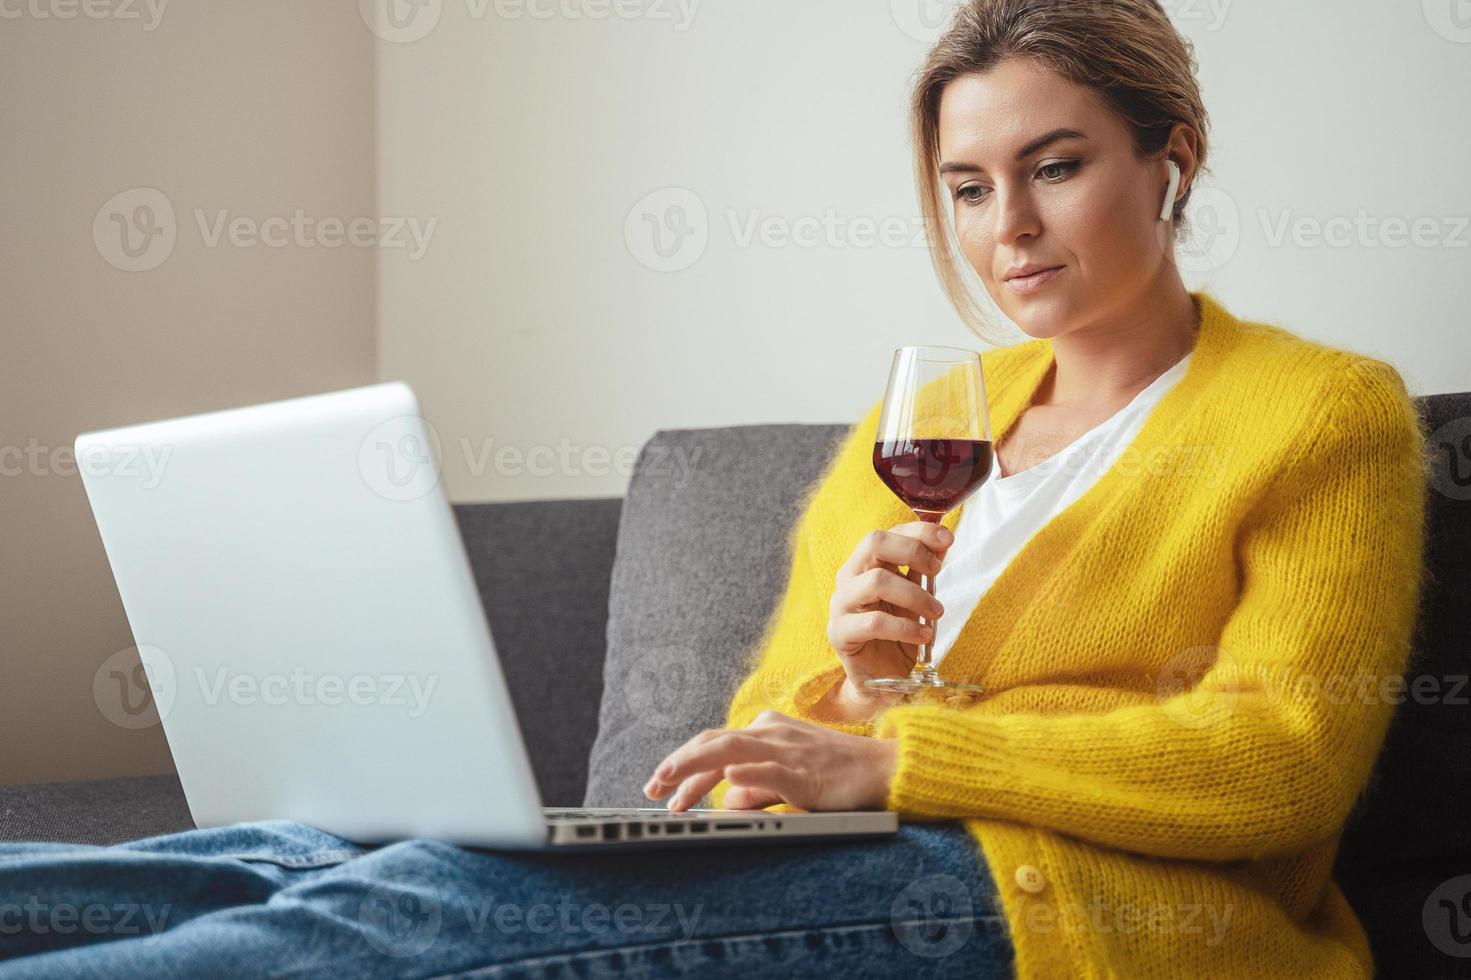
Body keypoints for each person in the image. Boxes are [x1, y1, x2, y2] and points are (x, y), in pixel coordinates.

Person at [0, 1, 1430, 977]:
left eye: (1054, 168)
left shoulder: (1318, 415)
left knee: (425, 911)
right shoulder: (925, 418)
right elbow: (785, 748)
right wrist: (864, 688)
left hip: (1103, 919)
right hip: (871, 856)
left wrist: (903, 756)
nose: (1011, 229)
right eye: (970, 186)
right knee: (302, 855)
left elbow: (1283, 759)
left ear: (1167, 160)